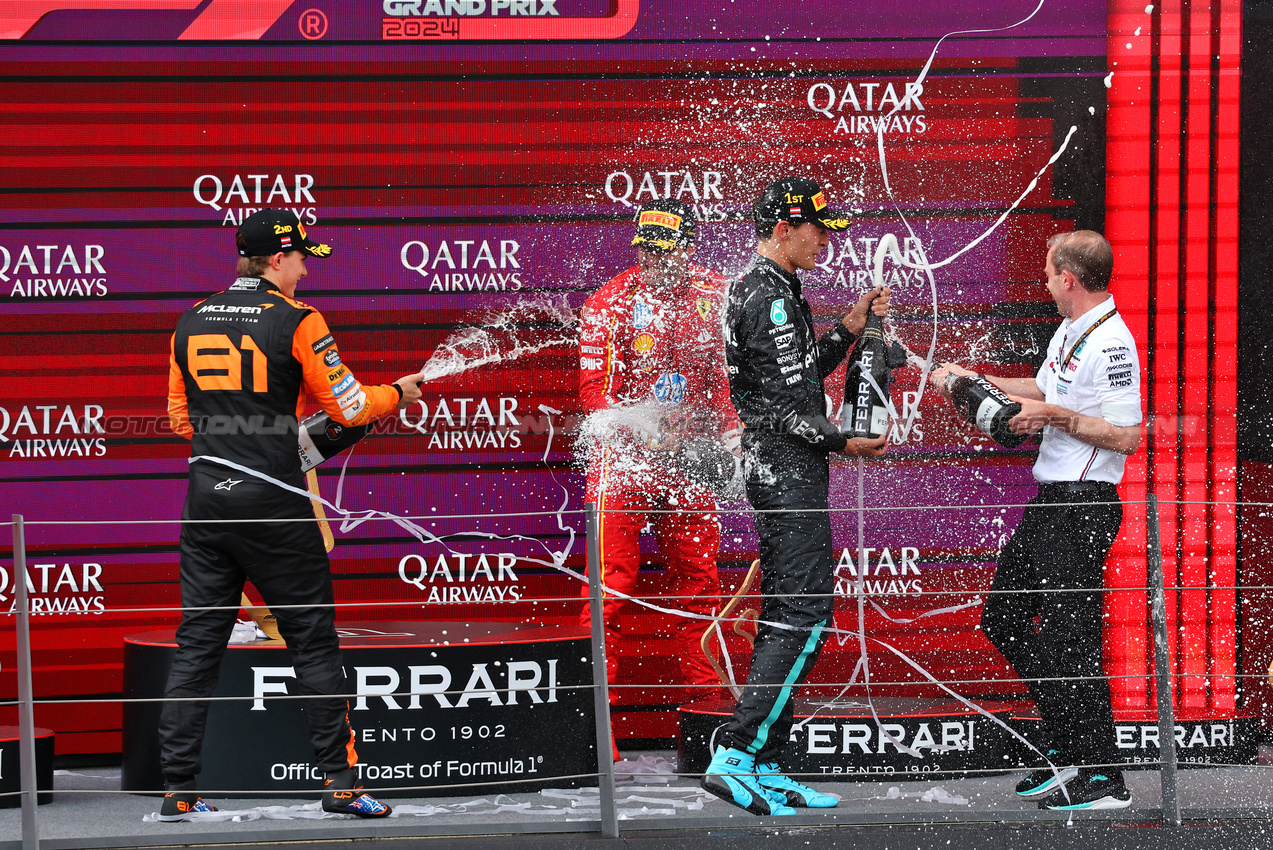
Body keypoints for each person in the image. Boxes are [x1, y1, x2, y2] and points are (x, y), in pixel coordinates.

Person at [160, 209, 426, 821]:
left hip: (205, 504)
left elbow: (181, 420)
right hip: (275, 505)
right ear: (276, 260)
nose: (307, 269)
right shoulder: (298, 320)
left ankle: (178, 790)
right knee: (311, 643)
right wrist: (399, 394)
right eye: (302, 257)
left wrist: (238, 434)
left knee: (197, 646)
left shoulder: (190, 320)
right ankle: (339, 785)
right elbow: (352, 406)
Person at [933, 229, 1142, 811]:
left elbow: (1128, 436)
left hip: (1084, 505)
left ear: (1069, 279)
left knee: (1072, 641)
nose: (1045, 283)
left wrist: (1056, 416)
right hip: (1052, 503)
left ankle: (1105, 778)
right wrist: (973, 379)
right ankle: (1068, 744)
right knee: (1002, 617)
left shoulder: (1113, 342)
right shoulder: (1070, 330)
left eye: (1049, 274)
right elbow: (1042, 389)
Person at [701, 177, 889, 816]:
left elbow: (795, 376)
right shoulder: (769, 296)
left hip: (782, 466)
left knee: (790, 611)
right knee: (805, 611)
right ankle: (738, 755)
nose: (826, 243)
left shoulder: (774, 287)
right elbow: (780, 409)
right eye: (817, 231)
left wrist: (845, 329)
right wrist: (845, 440)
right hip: (786, 466)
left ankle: (765, 763)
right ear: (784, 229)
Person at [578, 198, 741, 760]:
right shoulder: (607, 304)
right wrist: (640, 432)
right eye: (646, 250)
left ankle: (706, 723)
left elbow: (727, 381)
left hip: (692, 461)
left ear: (689, 248)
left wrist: (729, 438)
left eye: (665, 251)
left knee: (700, 584)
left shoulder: (717, 294)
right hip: (623, 463)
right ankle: (591, 730)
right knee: (610, 587)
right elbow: (593, 398)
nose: (655, 262)